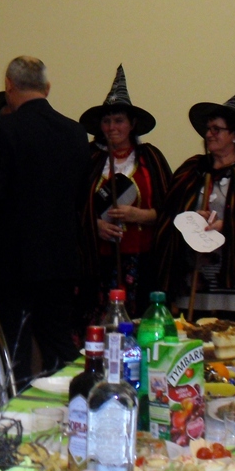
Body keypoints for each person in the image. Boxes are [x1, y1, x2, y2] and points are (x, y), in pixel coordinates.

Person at [0, 56, 90, 387]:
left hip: (12, 262)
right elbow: (81, 196)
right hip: (60, 258)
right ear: (47, 88)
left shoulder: (2, 129)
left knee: (14, 349)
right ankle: (75, 402)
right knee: (58, 344)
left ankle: (17, 409)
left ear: (8, 86)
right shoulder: (75, 132)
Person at [156, 78, 235, 320]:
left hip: (233, 271)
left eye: (216, 129)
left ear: (234, 135)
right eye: (208, 129)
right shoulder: (193, 169)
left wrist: (228, 225)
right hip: (194, 274)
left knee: (228, 335)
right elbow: (169, 211)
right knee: (191, 331)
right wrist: (191, 217)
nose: (209, 134)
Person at [79, 65, 172, 319]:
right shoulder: (88, 159)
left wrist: (139, 215)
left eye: (118, 120)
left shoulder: (150, 159)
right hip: (96, 262)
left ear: (132, 124)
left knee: (138, 320)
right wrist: (94, 225)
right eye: (106, 121)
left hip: (142, 262)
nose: (112, 127)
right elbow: (71, 206)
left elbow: (171, 210)